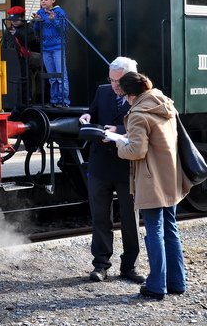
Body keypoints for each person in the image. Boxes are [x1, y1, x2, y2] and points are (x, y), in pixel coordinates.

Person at [109, 72, 193, 300]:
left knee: (154, 231)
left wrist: (119, 144)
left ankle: (156, 285)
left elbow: (136, 151)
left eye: (124, 96)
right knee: (170, 228)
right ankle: (177, 282)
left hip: (151, 179)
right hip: (170, 176)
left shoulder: (138, 114)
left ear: (131, 95)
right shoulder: (164, 104)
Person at [78, 57, 144, 284]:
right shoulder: (103, 91)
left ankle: (130, 266)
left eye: (119, 81)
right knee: (100, 217)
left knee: (130, 218)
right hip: (100, 164)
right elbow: (93, 113)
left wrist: (121, 130)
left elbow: (148, 126)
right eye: (112, 80)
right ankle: (101, 264)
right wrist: (86, 117)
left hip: (127, 166)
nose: (115, 85)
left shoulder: (142, 96)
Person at [31, 0, 69, 107]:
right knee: (52, 77)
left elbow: (64, 29)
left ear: (53, 0)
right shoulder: (40, 12)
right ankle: (54, 100)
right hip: (46, 48)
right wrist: (36, 22)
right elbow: (36, 31)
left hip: (57, 47)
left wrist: (54, 20)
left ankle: (64, 101)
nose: (43, 1)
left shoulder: (59, 12)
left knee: (61, 75)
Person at [1, 5, 39, 105]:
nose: (14, 22)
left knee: (25, 77)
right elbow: (3, 44)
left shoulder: (28, 28)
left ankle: (27, 99)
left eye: (16, 19)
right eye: (12, 20)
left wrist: (17, 33)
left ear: (22, 18)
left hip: (23, 57)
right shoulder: (8, 30)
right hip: (11, 58)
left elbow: (30, 42)